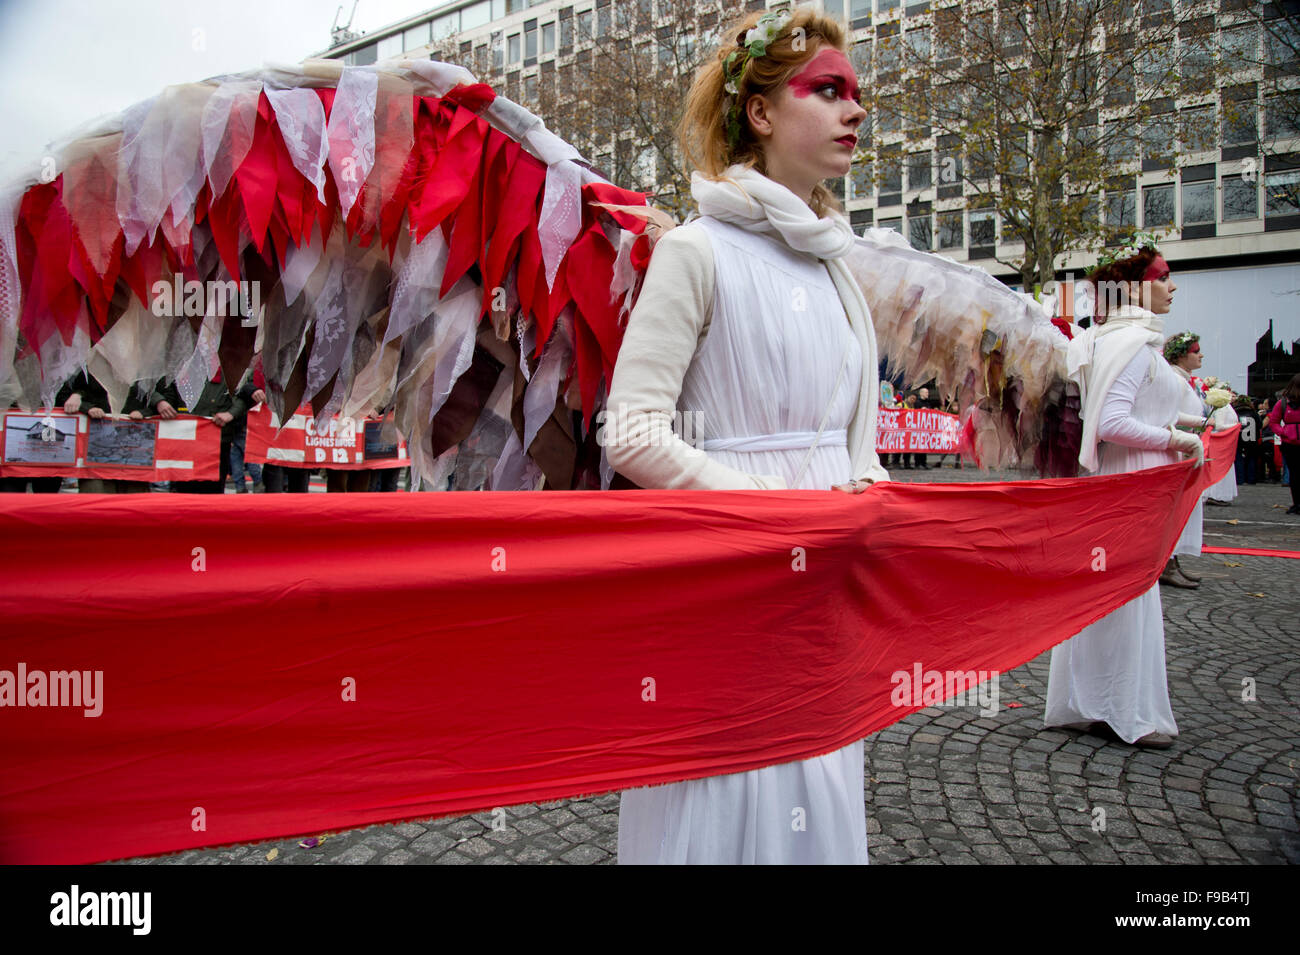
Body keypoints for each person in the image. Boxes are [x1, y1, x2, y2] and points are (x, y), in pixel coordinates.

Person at [606, 6, 886, 864]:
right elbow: (631, 430)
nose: (855, 110)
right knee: (728, 786)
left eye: (858, 94)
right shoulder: (697, 250)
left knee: (816, 774)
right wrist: (768, 509)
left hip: (825, 580)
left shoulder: (840, 264)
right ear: (761, 113)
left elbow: (855, 439)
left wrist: (867, 516)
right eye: (829, 91)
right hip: (729, 573)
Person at [1045, 236, 1203, 750]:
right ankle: (1119, 709)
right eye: (1162, 277)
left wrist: (1186, 422)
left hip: (1129, 479)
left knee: (1115, 595)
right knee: (1127, 594)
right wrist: (1175, 439)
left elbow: (1137, 407)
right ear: (1135, 287)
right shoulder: (1131, 342)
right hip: (1129, 481)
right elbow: (1110, 422)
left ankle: (1100, 702)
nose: (1172, 286)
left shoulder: (1124, 337)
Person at [1160, 331, 1207, 588]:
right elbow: (1170, 414)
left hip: (1186, 448)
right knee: (1176, 507)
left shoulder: (1185, 380)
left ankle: (1173, 561)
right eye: (1195, 351)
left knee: (1183, 508)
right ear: (1180, 355)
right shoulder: (1176, 381)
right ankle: (1167, 563)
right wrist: (1201, 424)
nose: (1200, 355)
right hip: (1179, 447)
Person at [1267, 373, 1300, 514]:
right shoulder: (1283, 403)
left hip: (1290, 442)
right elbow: (1273, 422)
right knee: (1295, 474)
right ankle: (1297, 503)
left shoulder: (1283, 402)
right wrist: (1284, 432)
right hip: (1290, 443)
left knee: (1295, 474)